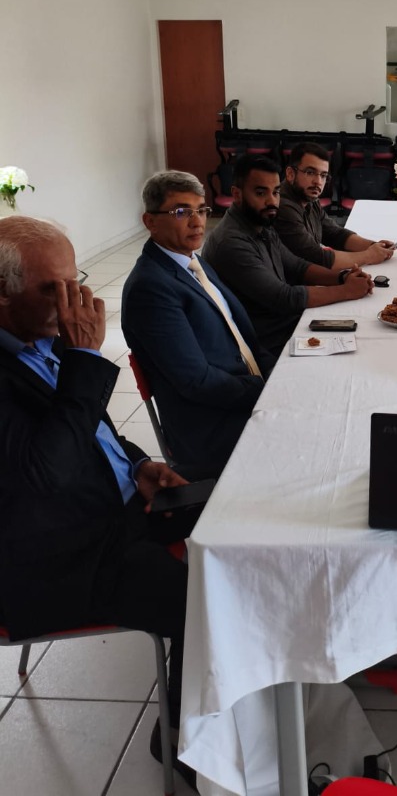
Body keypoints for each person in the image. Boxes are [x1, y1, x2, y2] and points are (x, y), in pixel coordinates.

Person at [0, 217, 195, 786]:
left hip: (113, 509)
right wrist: (84, 360)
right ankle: (185, 740)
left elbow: (89, 430)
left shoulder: (43, 340)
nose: (74, 302)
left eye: (75, 281)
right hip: (58, 556)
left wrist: (137, 464)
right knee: (207, 601)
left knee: (233, 514)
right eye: (52, 288)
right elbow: (46, 474)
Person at [122, 170, 269, 477]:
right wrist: (270, 388)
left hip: (240, 391)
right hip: (209, 427)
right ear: (150, 221)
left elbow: (241, 337)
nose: (197, 222)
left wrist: (280, 372)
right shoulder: (150, 288)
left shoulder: (192, 261)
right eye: (181, 212)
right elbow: (197, 382)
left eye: (201, 210)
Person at [203, 155, 375, 364]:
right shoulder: (232, 243)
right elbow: (283, 298)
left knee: (368, 333)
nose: (271, 201)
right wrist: (346, 290)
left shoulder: (261, 222)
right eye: (260, 193)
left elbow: (297, 266)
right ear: (237, 194)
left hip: (287, 323)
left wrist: (342, 277)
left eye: (275, 192)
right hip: (267, 344)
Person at [275, 141, 397, 268]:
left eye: (323, 175)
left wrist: (373, 246)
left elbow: (334, 234)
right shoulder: (283, 207)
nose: (318, 182)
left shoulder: (308, 197)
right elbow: (315, 257)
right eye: (310, 172)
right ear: (290, 174)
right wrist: (368, 256)